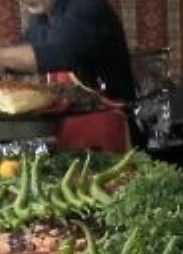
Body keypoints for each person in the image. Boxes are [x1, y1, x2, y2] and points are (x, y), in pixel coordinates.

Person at [0, 0, 138, 152]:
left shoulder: (88, 7)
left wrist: (3, 58)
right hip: (68, 126)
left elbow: (60, 54)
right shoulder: (42, 18)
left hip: (108, 122)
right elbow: (24, 56)